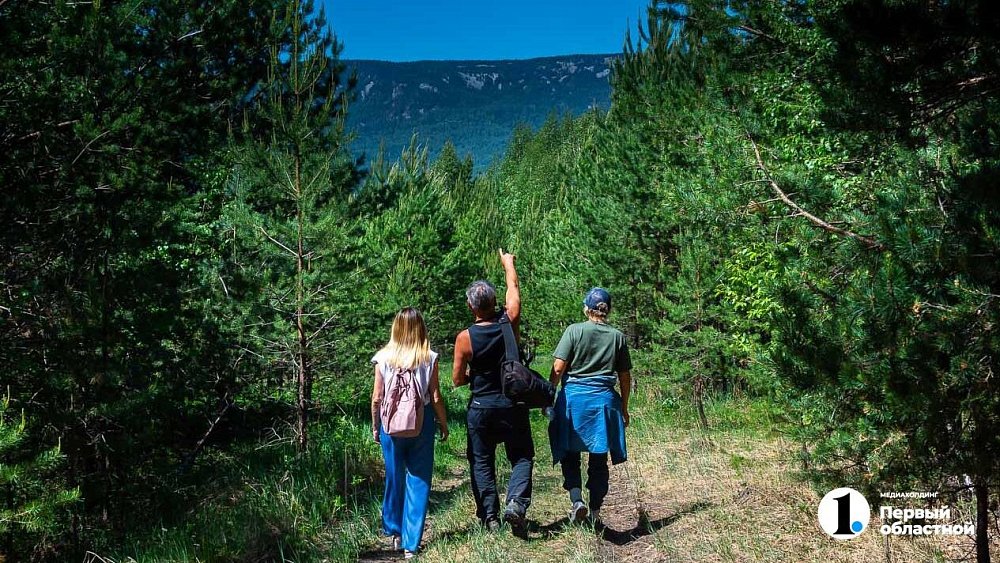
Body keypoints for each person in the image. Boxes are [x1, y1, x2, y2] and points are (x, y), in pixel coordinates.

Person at [452, 249, 533, 536]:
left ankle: (490, 517)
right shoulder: (509, 320)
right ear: (493, 302)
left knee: (482, 461)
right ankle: (516, 503)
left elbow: (458, 379)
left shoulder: (465, 338)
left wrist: (476, 373)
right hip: (512, 404)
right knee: (522, 456)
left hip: (482, 408)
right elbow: (514, 288)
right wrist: (508, 264)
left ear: (472, 308)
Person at [548, 287, 632, 525]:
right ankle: (595, 511)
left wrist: (548, 394)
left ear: (587, 308)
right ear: (608, 310)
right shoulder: (617, 337)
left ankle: (576, 499)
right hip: (604, 403)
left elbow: (557, 368)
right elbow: (625, 377)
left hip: (574, 402)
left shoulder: (574, 331)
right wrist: (624, 407)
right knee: (598, 458)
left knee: (570, 452)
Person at [371, 307, 449, 559]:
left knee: (394, 478)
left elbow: (377, 398)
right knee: (419, 480)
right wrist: (443, 423)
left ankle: (395, 532)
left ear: (395, 328)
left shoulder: (383, 357)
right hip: (422, 423)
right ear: (420, 328)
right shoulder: (428, 356)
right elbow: (435, 396)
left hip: (390, 426)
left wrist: (375, 426)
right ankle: (411, 545)